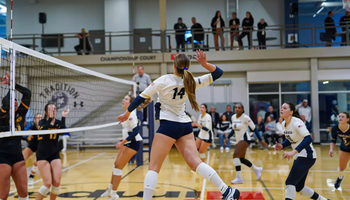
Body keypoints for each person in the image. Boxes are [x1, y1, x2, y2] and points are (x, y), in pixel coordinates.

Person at [117, 50, 240, 200]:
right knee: (196, 163)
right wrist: (205, 64)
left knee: (153, 168)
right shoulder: (191, 81)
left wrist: (127, 113)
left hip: (168, 126)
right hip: (185, 126)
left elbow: (140, 98)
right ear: (186, 67)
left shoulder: (164, 80)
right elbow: (218, 73)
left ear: (174, 67)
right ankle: (227, 191)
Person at [275, 103, 330, 200]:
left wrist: (294, 151)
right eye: (281, 108)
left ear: (291, 112)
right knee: (299, 187)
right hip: (300, 156)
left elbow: (308, 138)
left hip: (307, 156)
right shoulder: (284, 124)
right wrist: (282, 145)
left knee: (290, 182)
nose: (281, 109)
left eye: (284, 108)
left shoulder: (297, 122)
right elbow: (291, 138)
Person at [101, 95, 143, 200]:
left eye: (126, 99)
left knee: (118, 168)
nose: (123, 100)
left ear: (131, 103)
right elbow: (127, 130)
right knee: (115, 166)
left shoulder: (131, 114)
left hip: (133, 143)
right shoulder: (125, 114)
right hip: (128, 142)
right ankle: (110, 189)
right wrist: (123, 140)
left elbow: (135, 132)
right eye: (123, 98)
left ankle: (114, 194)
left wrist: (123, 142)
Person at [0, 72, 31, 200]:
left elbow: (27, 93)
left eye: (16, 101)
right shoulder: (1, 116)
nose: (16, 103)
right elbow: (7, 103)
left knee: (23, 191)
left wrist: (14, 84)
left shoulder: (20, 114)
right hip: (2, 156)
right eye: (13, 102)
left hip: (17, 155)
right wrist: (10, 88)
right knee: (3, 194)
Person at [225, 104, 267, 184]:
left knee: (235, 156)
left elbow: (254, 129)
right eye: (236, 108)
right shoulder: (233, 117)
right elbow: (234, 130)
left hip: (245, 139)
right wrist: (228, 137)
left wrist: (261, 140)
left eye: (239, 108)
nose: (237, 109)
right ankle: (256, 169)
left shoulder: (245, 118)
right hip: (238, 140)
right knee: (241, 159)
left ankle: (239, 178)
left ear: (242, 109)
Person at [35, 104, 69, 200]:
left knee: (57, 183)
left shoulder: (58, 123)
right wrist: (50, 118)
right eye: (50, 109)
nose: (53, 111)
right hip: (42, 154)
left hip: (54, 153)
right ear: (46, 112)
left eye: (54, 109)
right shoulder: (42, 122)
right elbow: (44, 130)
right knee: (47, 184)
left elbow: (62, 132)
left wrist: (63, 117)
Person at [329, 112, 350, 189]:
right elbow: (333, 140)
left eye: (343, 117)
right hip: (344, 149)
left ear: (347, 119)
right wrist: (331, 150)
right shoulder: (335, 128)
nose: (340, 118)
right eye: (339, 116)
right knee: (341, 168)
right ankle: (340, 178)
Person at [22, 113, 43, 185]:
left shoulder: (45, 127)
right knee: (21, 159)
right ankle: (18, 175)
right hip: (32, 145)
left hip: (40, 146)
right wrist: (28, 137)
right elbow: (28, 138)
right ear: (35, 120)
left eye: (41, 118)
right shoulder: (32, 127)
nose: (40, 119)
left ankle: (31, 177)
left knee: (36, 162)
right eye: (38, 118)